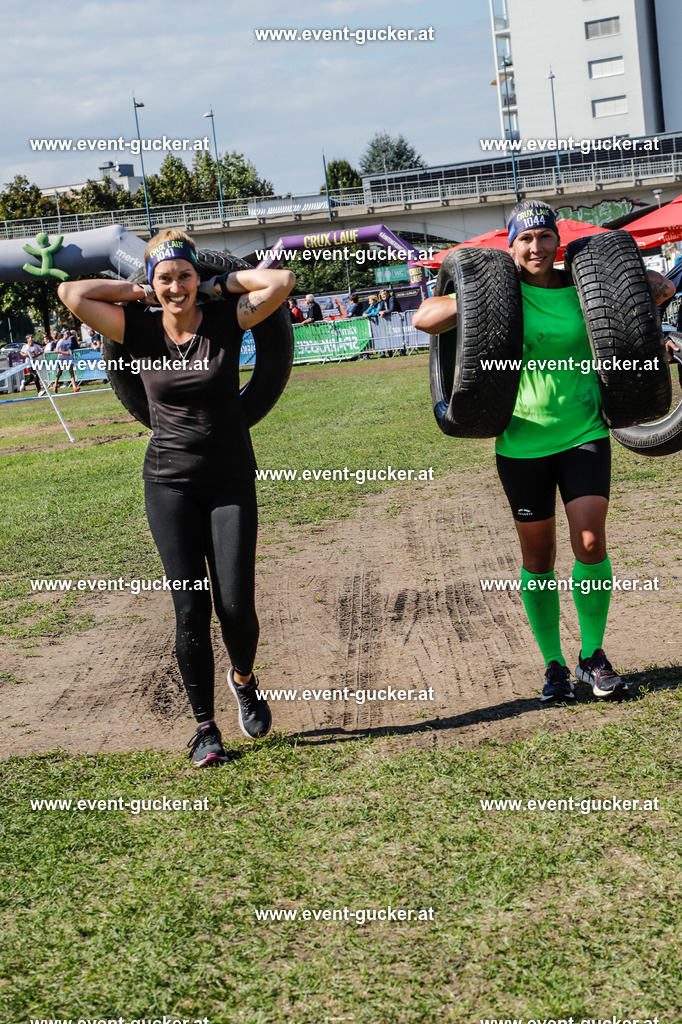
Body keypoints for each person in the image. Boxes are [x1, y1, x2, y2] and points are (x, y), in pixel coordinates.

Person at [413, 201, 675, 703]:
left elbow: (662, 289)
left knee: (591, 542)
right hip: (522, 440)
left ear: (558, 242)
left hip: (583, 432)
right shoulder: (501, 298)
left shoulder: (586, 290)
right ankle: (554, 664)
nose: (536, 248)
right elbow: (426, 318)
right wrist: (482, 291)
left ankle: (592, 657)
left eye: (544, 237)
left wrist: (611, 271)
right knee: (538, 557)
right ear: (511, 247)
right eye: (525, 240)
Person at [58, 229, 295, 766]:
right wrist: (140, 292)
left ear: (196, 277)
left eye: (183, 276)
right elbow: (72, 295)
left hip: (231, 479)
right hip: (168, 483)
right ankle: (205, 730)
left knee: (235, 605)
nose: (176, 287)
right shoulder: (136, 328)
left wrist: (219, 283)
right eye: (165, 278)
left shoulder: (225, 320)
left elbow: (280, 280)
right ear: (152, 281)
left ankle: (244, 679)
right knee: (190, 608)